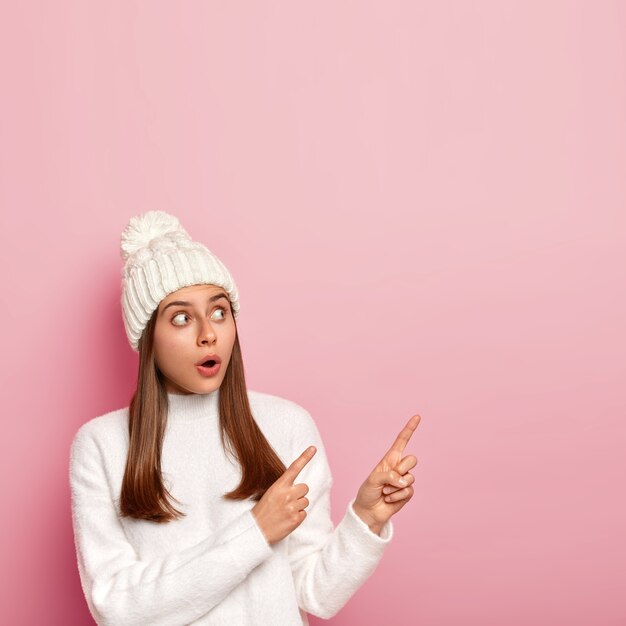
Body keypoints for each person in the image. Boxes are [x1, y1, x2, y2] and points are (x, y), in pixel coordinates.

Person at [69, 210, 421, 625]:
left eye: (219, 312)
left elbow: (316, 593)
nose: (208, 333)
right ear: (148, 337)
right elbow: (117, 608)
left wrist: (366, 520)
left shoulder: (286, 425)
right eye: (181, 318)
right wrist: (254, 533)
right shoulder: (102, 445)